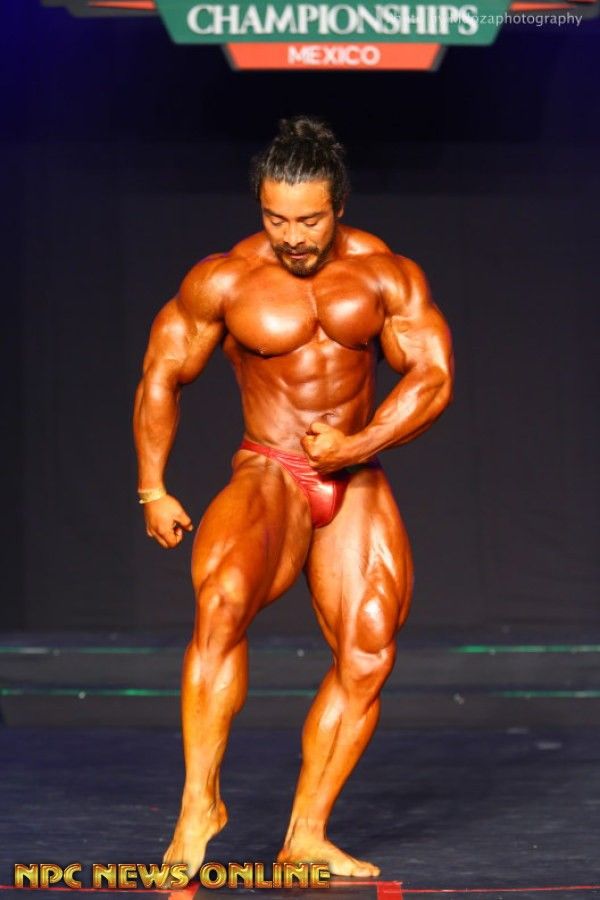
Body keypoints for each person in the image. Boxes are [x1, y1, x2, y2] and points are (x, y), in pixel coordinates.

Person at [132, 115, 454, 879]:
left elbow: (433, 376)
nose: (292, 236)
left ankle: (306, 834)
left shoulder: (385, 274)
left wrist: (356, 446)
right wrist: (152, 488)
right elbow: (162, 374)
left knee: (368, 650)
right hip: (271, 467)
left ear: (337, 205)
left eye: (308, 220)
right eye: (276, 219)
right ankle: (199, 803)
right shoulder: (226, 279)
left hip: (354, 474)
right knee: (220, 603)